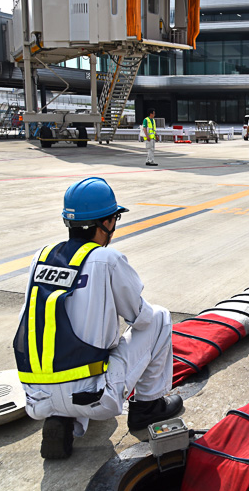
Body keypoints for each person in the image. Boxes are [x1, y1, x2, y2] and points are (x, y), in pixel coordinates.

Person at [13, 177, 183, 459]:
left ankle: (61, 418)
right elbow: (140, 318)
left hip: (36, 399)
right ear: (106, 223)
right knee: (160, 318)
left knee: (67, 356)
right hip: (94, 397)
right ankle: (147, 408)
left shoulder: (40, 256)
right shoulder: (107, 260)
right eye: (114, 218)